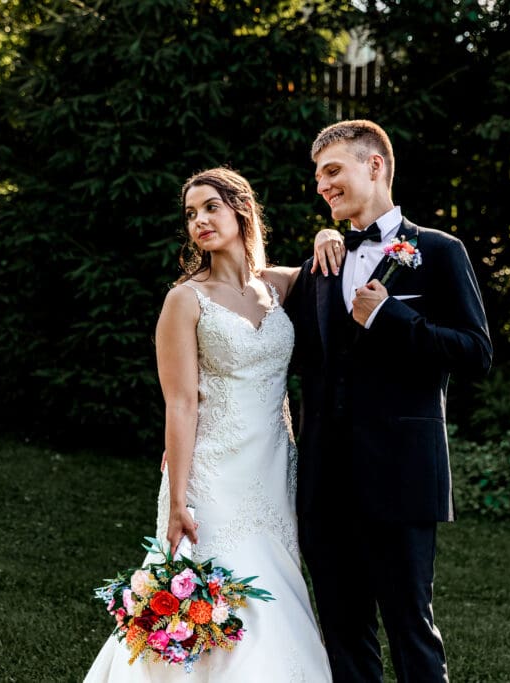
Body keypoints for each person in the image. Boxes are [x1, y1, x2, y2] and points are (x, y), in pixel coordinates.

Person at [84, 168, 336, 681]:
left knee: (275, 589)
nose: (199, 221)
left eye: (210, 208)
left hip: (271, 471)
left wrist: (327, 233)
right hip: (211, 473)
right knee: (210, 596)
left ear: (241, 210)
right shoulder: (185, 300)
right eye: (191, 214)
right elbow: (179, 405)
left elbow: (319, 264)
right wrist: (178, 500)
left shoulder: (277, 287)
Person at [284, 120, 493, 682]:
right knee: (344, 638)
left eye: (333, 171)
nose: (322, 186)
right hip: (326, 484)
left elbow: (476, 352)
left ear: (374, 165)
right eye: (318, 177)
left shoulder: (440, 252)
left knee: (411, 634)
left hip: (402, 478)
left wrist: (391, 317)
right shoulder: (319, 265)